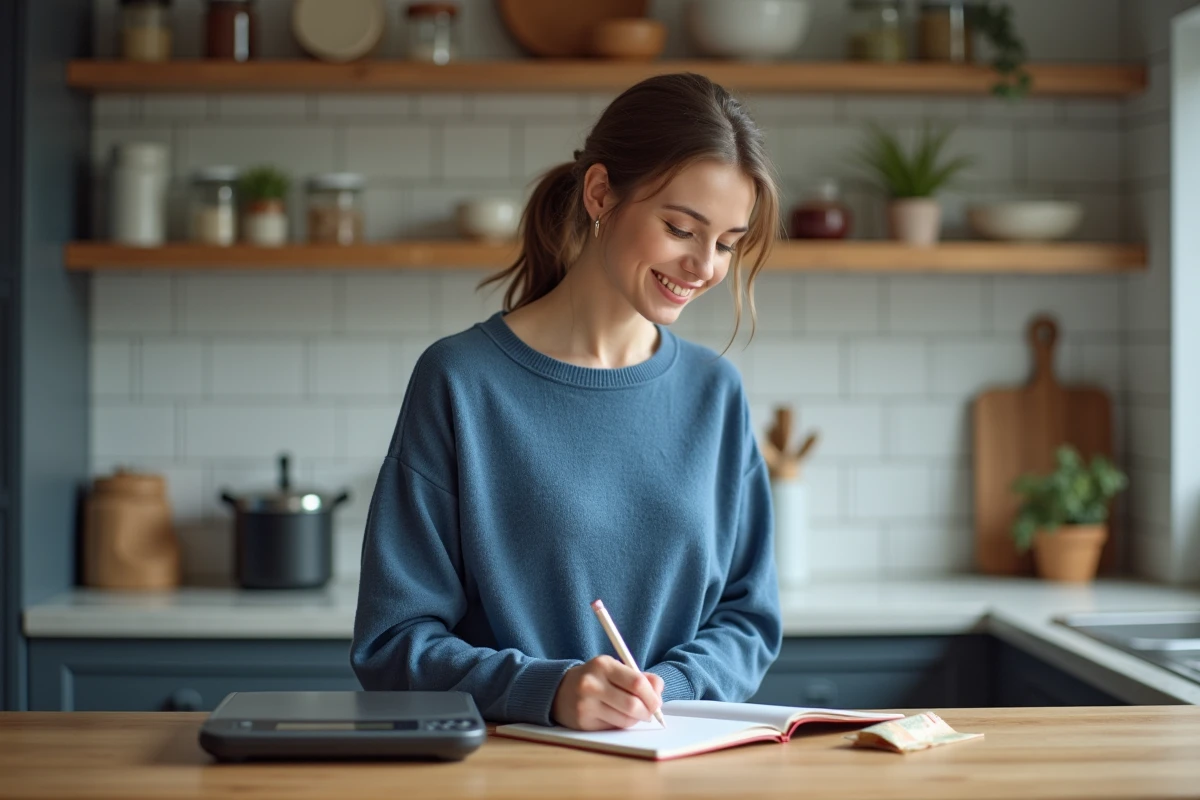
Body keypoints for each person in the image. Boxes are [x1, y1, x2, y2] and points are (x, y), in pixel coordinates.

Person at [351, 72, 783, 732]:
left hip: (672, 759)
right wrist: (546, 690)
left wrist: (672, 686)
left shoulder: (714, 393)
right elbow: (392, 644)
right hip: (504, 771)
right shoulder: (461, 381)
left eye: (726, 243)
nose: (703, 268)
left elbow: (748, 618)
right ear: (601, 192)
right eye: (680, 228)